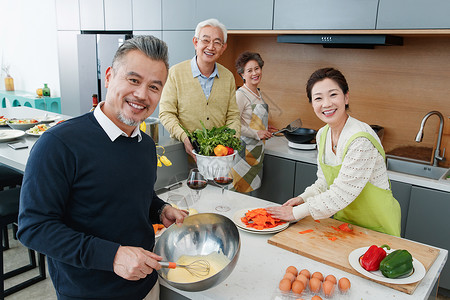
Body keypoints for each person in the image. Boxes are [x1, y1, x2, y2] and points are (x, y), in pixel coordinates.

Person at [17, 36, 187, 300]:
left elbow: (132, 197)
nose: (142, 94)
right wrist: (113, 256)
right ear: (109, 77)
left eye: (154, 86)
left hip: (147, 285)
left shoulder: (144, 145)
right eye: (133, 80)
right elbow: (34, 227)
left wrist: (159, 209)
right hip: (88, 293)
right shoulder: (58, 144)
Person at [266, 68, 401, 236]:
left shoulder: (360, 139)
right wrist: (303, 198)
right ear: (312, 104)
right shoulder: (323, 134)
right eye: (318, 98)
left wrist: (296, 213)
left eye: (333, 95)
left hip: (377, 227)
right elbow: (324, 183)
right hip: (345, 224)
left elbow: (342, 192)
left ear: (346, 97)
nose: (326, 103)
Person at [159, 18, 240, 161]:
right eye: (206, 40)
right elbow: (166, 113)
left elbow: (233, 116)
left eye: (217, 42)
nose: (211, 47)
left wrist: (229, 143)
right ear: (196, 42)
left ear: (223, 47)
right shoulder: (175, 73)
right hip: (182, 156)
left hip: (218, 157)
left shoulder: (228, 77)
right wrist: (185, 137)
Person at [230, 51, 277, 193]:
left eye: (257, 68)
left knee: (250, 194)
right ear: (242, 75)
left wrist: (265, 127)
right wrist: (257, 133)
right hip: (242, 153)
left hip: (256, 153)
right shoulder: (240, 95)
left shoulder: (258, 93)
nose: (254, 73)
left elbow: (250, 119)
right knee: (238, 193)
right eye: (249, 70)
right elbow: (233, 125)